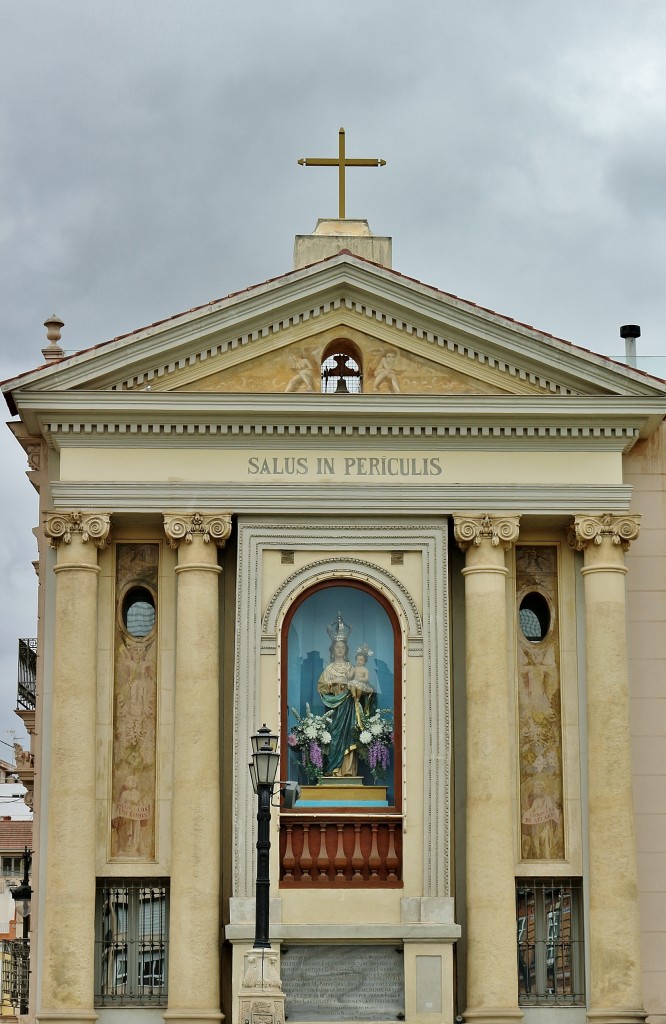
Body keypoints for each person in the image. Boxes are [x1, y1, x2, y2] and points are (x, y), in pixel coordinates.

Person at [317, 622, 373, 777]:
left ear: (346, 650)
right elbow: (321, 686)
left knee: (349, 735)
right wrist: (333, 682)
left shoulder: (351, 667)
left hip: (349, 707)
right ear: (333, 650)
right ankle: (333, 771)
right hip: (334, 708)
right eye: (337, 647)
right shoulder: (328, 669)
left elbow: (360, 683)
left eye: (342, 647)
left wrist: (349, 684)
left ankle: (348, 772)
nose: (340, 649)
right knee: (334, 737)